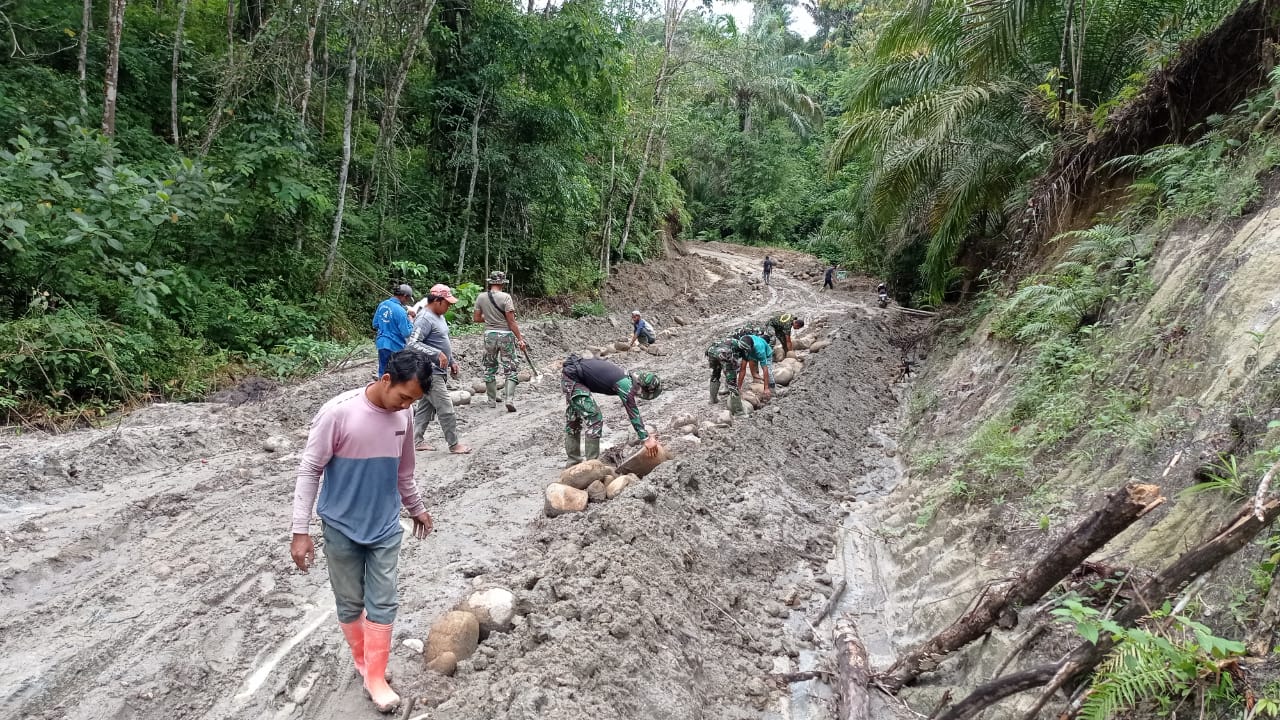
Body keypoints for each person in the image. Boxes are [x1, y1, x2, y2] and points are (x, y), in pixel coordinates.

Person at [289, 350, 435, 714]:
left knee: (383, 601)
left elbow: (404, 472)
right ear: (386, 380)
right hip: (341, 525)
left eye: (414, 401)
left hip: (385, 525)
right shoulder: (338, 413)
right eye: (404, 396)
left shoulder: (404, 414)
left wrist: (416, 507)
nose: (407, 405)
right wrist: (299, 531)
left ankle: (375, 676)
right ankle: (363, 662)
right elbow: (310, 471)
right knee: (350, 601)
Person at [561, 354, 663, 466]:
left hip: (574, 376)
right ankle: (592, 465)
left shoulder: (627, 377)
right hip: (573, 379)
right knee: (594, 419)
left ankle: (573, 463)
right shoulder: (625, 385)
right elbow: (632, 412)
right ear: (643, 388)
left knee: (574, 419)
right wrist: (646, 438)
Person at [406, 284, 471, 455]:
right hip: (428, 372)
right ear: (436, 301)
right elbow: (412, 344)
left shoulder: (439, 317)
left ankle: (416, 440)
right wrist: (436, 354)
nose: (449, 306)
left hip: (439, 370)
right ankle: (454, 444)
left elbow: (442, 340)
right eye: (447, 303)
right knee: (446, 408)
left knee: (425, 407)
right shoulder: (424, 318)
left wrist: (451, 361)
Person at [473, 271, 527, 412]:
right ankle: (509, 399)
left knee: (489, 367)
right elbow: (511, 321)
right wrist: (520, 339)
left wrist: (490, 318)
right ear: (502, 283)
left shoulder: (481, 297)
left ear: (490, 282)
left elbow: (477, 318)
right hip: (505, 336)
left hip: (489, 335)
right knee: (510, 367)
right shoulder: (506, 297)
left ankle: (491, 400)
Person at [373, 284, 414, 376]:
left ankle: (381, 389)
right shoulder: (400, 311)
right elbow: (406, 333)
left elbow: (375, 324)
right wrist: (411, 322)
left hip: (382, 344)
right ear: (404, 296)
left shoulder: (382, 304)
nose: (407, 302)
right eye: (407, 299)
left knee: (383, 371)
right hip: (395, 346)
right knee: (395, 373)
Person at [705, 337, 743, 414]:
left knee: (716, 373)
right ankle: (738, 411)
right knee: (732, 383)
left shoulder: (730, 341)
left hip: (711, 351)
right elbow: (734, 364)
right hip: (723, 354)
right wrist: (731, 375)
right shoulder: (736, 349)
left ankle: (712, 399)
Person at [733, 335, 775, 404]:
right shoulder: (743, 342)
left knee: (769, 373)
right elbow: (743, 369)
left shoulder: (760, 350)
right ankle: (757, 381)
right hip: (751, 351)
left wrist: (766, 388)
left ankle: (772, 389)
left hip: (766, 354)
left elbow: (765, 369)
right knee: (741, 366)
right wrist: (739, 388)